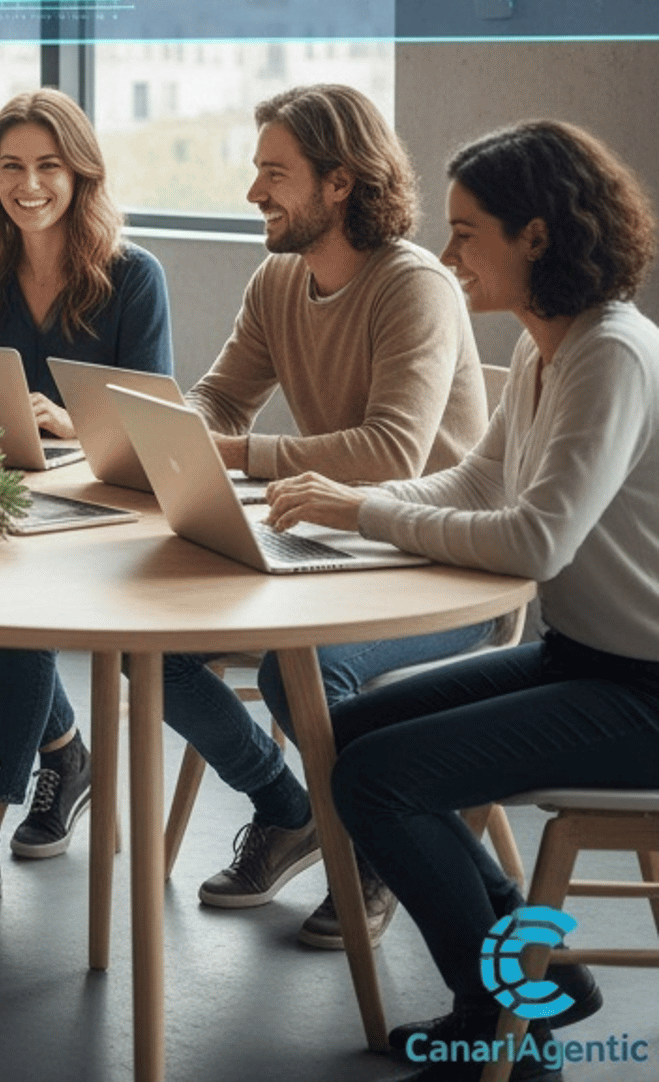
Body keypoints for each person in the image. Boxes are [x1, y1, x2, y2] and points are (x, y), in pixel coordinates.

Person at [274, 120, 658, 1082]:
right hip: (585, 657)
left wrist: (363, 507)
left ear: (537, 236)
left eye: (465, 232)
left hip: (644, 690)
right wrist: (343, 507)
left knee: (378, 779)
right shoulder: (544, 349)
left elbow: (535, 539)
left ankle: (500, 1028)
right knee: (343, 737)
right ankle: (539, 977)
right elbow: (476, 485)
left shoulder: (611, 354)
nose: (448, 256)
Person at [169, 84, 490, 945]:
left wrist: (240, 454)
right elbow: (221, 398)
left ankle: (382, 849)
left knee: (298, 672)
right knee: (151, 650)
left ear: (340, 182)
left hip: (442, 567)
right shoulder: (279, 280)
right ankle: (288, 811)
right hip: (331, 548)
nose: (254, 192)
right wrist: (166, 430)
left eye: (275, 174)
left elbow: (393, 452)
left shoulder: (414, 286)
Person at [0, 90, 171, 925]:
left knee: (20, 617)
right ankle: (63, 750)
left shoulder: (134, 276)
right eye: (11, 166)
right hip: (0, 500)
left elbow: (151, 425)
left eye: (49, 165)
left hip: (103, 512)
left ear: (81, 174)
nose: (29, 184)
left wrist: (75, 423)